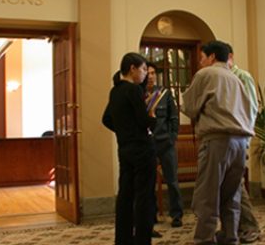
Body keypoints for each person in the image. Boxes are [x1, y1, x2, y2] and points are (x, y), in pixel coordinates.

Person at [181, 41, 256, 245]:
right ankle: (230, 236)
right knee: (231, 193)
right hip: (240, 141)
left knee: (208, 193)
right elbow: (249, 110)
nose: (201, 62)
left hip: (217, 140)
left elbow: (189, 107)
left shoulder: (206, 75)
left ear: (212, 57)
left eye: (202, 57)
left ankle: (205, 239)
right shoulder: (237, 78)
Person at [102, 52, 157, 245]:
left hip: (124, 148)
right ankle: (142, 240)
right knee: (144, 197)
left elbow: (106, 119)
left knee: (125, 195)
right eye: (143, 69)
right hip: (142, 149)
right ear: (132, 69)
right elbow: (144, 121)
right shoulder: (133, 90)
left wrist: (125, 131)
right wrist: (153, 118)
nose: (145, 74)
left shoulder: (115, 91)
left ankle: (123, 239)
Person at [226, 42, 261, 244]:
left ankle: (250, 226)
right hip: (227, 140)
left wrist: (245, 141)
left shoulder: (243, 77)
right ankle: (236, 227)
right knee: (230, 186)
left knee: (236, 185)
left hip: (239, 140)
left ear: (230, 57)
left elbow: (251, 109)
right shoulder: (225, 79)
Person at [145, 63, 183, 228]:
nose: (151, 76)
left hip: (165, 143)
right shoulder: (139, 94)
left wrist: (172, 137)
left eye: (153, 73)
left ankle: (176, 215)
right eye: (148, 73)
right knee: (148, 181)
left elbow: (174, 117)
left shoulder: (164, 94)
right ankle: (151, 214)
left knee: (172, 181)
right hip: (147, 145)